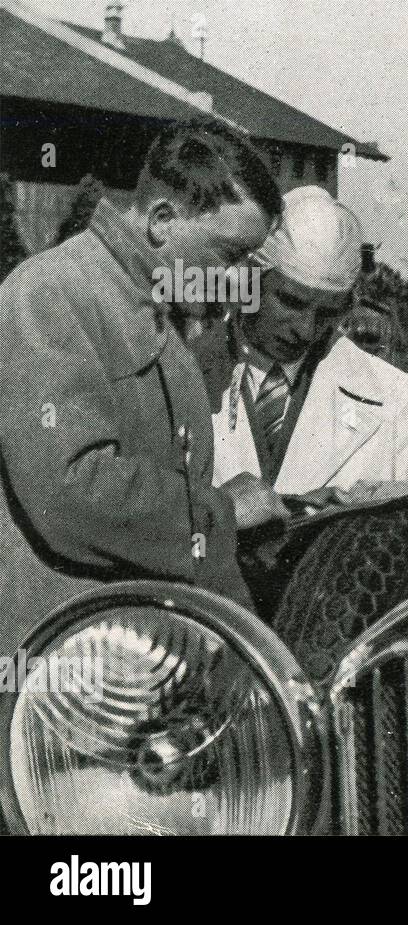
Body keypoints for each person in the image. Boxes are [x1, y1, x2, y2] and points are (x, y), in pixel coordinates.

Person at [0, 117, 286, 653]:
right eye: (229, 256)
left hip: (135, 656)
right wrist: (221, 514)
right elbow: (72, 491)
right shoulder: (49, 292)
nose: (239, 280)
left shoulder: (158, 310)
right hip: (64, 673)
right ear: (160, 220)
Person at [205, 186, 408, 500]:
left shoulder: (395, 397)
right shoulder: (183, 371)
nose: (305, 329)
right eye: (291, 302)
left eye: (328, 312)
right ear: (248, 280)